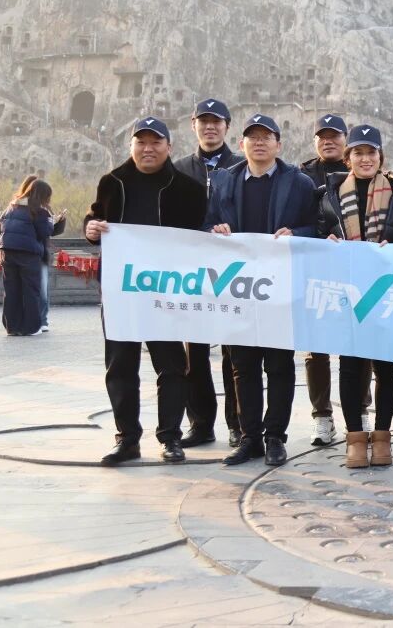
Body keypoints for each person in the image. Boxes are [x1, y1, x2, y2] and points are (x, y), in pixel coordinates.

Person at [83, 117, 208, 465]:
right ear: (131, 146)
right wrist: (90, 228)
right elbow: (94, 219)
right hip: (122, 292)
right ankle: (127, 439)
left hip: (167, 292)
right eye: (141, 142)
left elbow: (201, 236)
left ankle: (170, 437)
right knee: (120, 367)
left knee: (171, 367)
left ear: (169, 147)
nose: (148, 149)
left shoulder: (188, 189)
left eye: (156, 143)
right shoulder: (113, 183)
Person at [203, 114, 319, 467]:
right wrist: (215, 229)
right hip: (239, 288)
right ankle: (249, 436)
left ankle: (274, 437)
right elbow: (207, 221)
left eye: (266, 137)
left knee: (280, 365)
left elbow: (315, 225)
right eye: (252, 137)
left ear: (278, 144)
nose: (259, 142)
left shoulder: (298, 182)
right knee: (242, 366)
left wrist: (296, 234)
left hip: (280, 288)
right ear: (242, 144)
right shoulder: (225, 180)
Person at [316, 124, 393, 468]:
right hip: (348, 290)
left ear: (381, 157)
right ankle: (355, 437)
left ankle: (382, 437)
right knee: (350, 366)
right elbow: (318, 234)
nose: (365, 159)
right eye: (358, 153)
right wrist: (327, 243)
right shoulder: (329, 194)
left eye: (371, 153)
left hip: (387, 291)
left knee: (385, 366)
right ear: (348, 157)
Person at [174, 98, 245, 449]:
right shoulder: (178, 169)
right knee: (194, 353)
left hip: (232, 275)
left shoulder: (243, 167)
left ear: (227, 127)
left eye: (217, 122)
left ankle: (238, 423)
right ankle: (200, 423)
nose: (210, 127)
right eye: (203, 121)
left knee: (235, 352)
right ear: (193, 125)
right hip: (192, 274)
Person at [300, 113, 366, 448]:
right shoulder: (302, 177)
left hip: (357, 272)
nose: (328, 141)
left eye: (335, 135)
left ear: (346, 141)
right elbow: (299, 219)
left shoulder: (361, 172)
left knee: (360, 344)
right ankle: (322, 416)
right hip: (319, 272)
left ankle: (361, 412)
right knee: (317, 349)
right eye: (322, 136)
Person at [0, 178, 54, 337]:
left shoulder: (12, 206)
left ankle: (12, 327)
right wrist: (52, 220)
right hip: (28, 254)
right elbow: (45, 231)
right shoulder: (39, 210)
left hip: (7, 251)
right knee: (31, 290)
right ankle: (31, 328)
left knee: (11, 290)